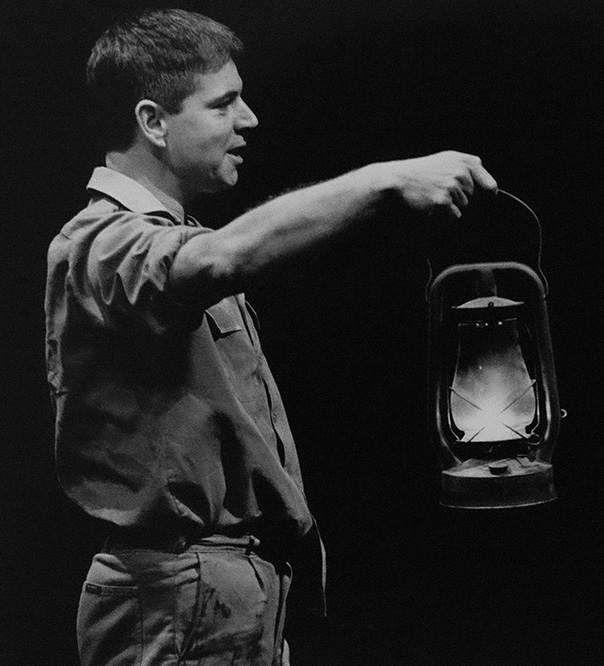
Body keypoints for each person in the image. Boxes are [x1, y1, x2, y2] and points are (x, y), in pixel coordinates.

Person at [44, 8, 497, 666]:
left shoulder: (173, 239)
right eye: (224, 102)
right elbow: (226, 258)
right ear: (152, 122)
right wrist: (383, 179)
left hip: (222, 593)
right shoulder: (98, 243)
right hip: (178, 595)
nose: (248, 119)